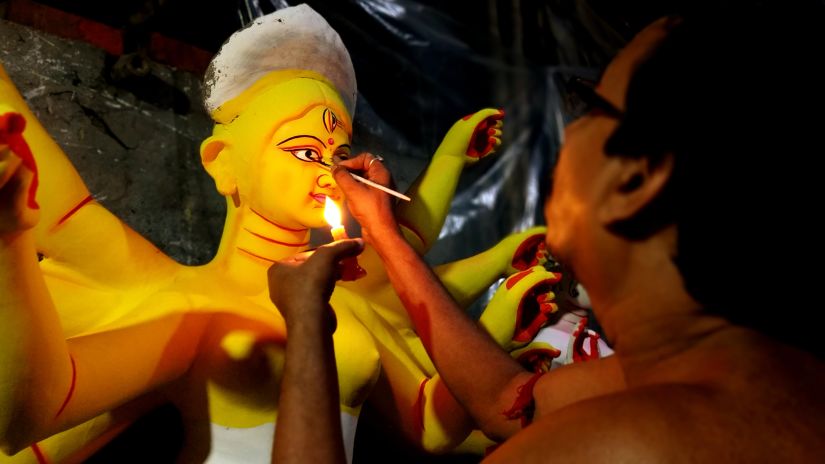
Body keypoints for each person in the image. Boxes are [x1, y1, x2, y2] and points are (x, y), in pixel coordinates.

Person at [1, 4, 569, 462]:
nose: (329, 170)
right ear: (223, 162)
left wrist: (497, 329)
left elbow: (428, 424)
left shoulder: (349, 309)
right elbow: (32, 412)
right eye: (303, 151)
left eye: (340, 153)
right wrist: (10, 240)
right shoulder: (196, 310)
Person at [269, 3, 825, 462]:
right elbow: (504, 400)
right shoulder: (770, 378)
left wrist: (309, 324)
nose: (573, 128)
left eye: (593, 103)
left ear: (636, 178)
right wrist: (386, 235)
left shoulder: (608, 445)